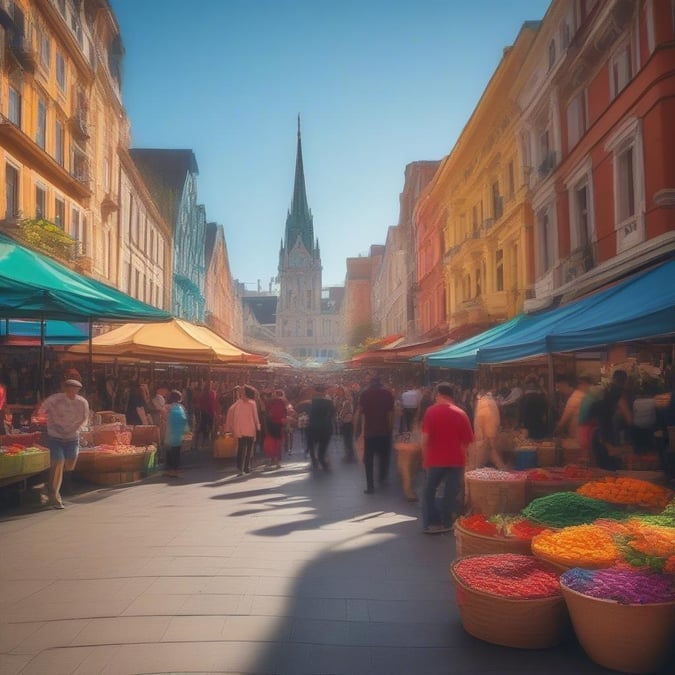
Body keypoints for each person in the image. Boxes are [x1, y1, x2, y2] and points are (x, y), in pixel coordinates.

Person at [420, 382, 474, 534]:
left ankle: (432, 523)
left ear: (439, 395)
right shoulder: (461, 414)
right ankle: (447, 522)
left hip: (435, 460)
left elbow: (425, 439)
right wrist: (469, 463)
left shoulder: (430, 412)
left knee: (430, 491)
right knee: (450, 492)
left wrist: (424, 459)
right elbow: (468, 442)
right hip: (456, 460)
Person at [38, 378, 90, 509]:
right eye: (70, 389)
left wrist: (79, 428)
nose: (73, 392)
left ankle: (49, 485)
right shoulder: (54, 399)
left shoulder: (82, 402)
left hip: (72, 437)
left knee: (70, 463)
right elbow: (41, 411)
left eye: (76, 389)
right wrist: (47, 420)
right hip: (56, 437)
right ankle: (55, 497)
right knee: (58, 462)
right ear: (65, 389)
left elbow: (85, 417)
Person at [355, 376, 394, 494]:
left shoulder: (365, 394)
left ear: (370, 384)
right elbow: (391, 413)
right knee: (384, 456)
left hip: (369, 432)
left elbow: (360, 413)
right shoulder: (388, 394)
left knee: (369, 459)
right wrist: (390, 429)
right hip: (384, 431)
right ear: (380, 384)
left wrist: (358, 431)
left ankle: (370, 485)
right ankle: (382, 477)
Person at [225, 385, 261, 475]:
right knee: (242, 449)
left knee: (247, 449)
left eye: (243, 391)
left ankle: (245, 467)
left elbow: (255, 416)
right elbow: (230, 413)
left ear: (246, 393)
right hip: (243, 429)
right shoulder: (239, 403)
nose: (241, 393)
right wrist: (228, 427)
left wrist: (258, 426)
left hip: (248, 429)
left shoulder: (250, 403)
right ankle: (242, 467)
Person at [471, 390, 505, 470]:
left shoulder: (483, 403)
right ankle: (503, 470)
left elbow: (481, 420)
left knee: (480, 461)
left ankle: (476, 475)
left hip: (485, 437)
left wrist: (484, 438)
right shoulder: (490, 401)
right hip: (489, 435)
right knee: (493, 454)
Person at [307, 384, 335, 470]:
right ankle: (321, 458)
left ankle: (314, 459)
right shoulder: (329, 402)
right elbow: (332, 415)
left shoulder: (309, 402)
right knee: (323, 445)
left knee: (312, 444)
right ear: (324, 392)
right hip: (325, 427)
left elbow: (305, 414)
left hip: (312, 427)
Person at [164, 390, 188, 478]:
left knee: (169, 452)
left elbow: (164, 417)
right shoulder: (182, 407)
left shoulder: (167, 407)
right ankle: (175, 470)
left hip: (170, 432)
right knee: (176, 452)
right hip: (178, 433)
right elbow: (184, 419)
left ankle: (170, 470)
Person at [553, 375, 585, 440]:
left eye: (559, 387)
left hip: (577, 438)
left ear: (565, 384)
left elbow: (563, 422)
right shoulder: (580, 394)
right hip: (581, 436)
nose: (559, 390)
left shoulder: (574, 398)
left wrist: (553, 434)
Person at [265, 389, 287, 468]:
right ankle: (277, 462)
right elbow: (285, 413)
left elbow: (266, 413)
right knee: (278, 443)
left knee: (272, 443)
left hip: (271, 425)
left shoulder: (270, 402)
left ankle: (272, 460)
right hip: (279, 424)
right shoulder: (283, 402)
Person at [338, 393, 355, 461]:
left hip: (347, 424)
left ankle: (349, 456)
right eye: (347, 396)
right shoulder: (349, 403)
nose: (348, 398)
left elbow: (344, 413)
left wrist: (341, 417)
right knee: (348, 440)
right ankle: (350, 455)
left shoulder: (347, 404)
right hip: (349, 424)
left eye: (349, 396)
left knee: (347, 441)